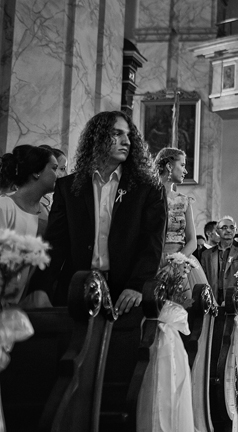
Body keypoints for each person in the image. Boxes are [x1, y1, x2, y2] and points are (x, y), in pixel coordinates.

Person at [39, 110, 166, 312]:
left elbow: (152, 242)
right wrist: (41, 289)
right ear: (96, 138)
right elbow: (55, 243)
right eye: (117, 134)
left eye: (129, 135)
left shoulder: (148, 188)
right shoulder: (69, 187)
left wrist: (137, 285)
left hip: (126, 293)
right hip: (76, 288)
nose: (126, 141)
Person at [0, 145, 58, 306]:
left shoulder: (47, 215)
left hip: (21, 303)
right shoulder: (5, 207)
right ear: (36, 172)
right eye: (54, 168)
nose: (60, 174)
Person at [153, 147, 208, 302]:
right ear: (169, 166)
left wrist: (174, 264)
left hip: (180, 260)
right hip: (153, 260)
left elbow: (192, 241)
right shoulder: (148, 197)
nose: (186, 171)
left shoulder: (184, 200)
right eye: (182, 165)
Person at [200, 216, 238, 304]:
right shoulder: (207, 254)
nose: (228, 230)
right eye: (224, 228)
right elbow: (203, 278)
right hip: (213, 298)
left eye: (232, 227)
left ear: (235, 230)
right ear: (217, 231)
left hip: (236, 298)